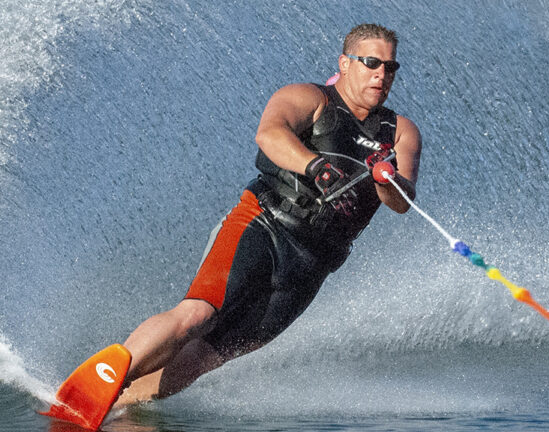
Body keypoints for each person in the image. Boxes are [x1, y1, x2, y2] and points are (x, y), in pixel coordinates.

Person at [115, 23, 422, 405]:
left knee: (206, 357)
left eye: (390, 67)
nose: (381, 73)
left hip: (314, 263)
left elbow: (402, 201)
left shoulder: (400, 133)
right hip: (264, 223)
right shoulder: (309, 98)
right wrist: (315, 167)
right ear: (345, 63)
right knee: (196, 315)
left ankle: (117, 408)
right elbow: (270, 134)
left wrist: (385, 177)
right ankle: (110, 377)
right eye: (371, 62)